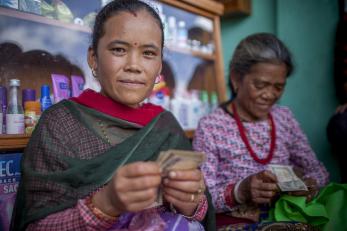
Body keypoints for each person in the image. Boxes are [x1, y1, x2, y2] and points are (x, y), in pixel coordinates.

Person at [11, 1, 215, 230]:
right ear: (93, 58)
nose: (134, 65)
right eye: (119, 49)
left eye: (148, 53)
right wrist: (105, 204)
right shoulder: (60, 123)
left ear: (159, 66)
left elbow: (198, 213)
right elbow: (34, 226)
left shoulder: (165, 125)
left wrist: (191, 201)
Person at [193, 33, 329, 230]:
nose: (269, 95)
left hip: (287, 217)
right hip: (235, 224)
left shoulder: (284, 118)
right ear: (236, 78)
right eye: (260, 85)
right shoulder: (211, 126)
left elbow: (319, 171)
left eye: (279, 87)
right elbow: (199, 199)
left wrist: (309, 184)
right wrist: (240, 190)